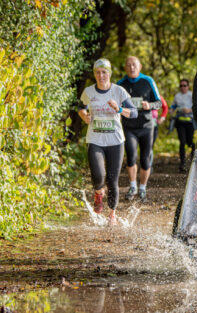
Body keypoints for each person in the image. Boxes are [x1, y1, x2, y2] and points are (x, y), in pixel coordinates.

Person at [78, 58, 138, 225]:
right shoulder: (89, 92)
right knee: (98, 176)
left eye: (104, 72)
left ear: (109, 74)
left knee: (112, 180)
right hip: (95, 139)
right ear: (95, 75)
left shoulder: (119, 91)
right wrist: (84, 116)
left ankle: (112, 215)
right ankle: (98, 193)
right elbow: (80, 108)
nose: (101, 75)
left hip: (115, 141)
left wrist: (119, 109)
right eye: (98, 72)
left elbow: (134, 113)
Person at [117, 56, 162, 202]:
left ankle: (142, 188)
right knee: (130, 156)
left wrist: (150, 105)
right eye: (128, 65)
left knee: (145, 159)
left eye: (134, 65)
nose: (131, 68)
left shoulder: (148, 81)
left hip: (146, 126)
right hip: (129, 127)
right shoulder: (120, 84)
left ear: (140, 66)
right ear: (125, 67)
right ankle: (133, 186)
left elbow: (159, 102)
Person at [169, 78, 195, 172]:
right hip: (180, 122)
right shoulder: (177, 96)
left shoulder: (192, 95)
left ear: (188, 86)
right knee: (182, 141)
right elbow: (173, 106)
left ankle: (193, 155)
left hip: (190, 121)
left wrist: (189, 110)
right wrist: (171, 112)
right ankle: (182, 163)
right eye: (181, 85)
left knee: (189, 141)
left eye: (184, 85)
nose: (183, 87)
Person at [149, 95, 168, 170]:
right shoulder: (140, 92)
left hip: (154, 124)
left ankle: (149, 166)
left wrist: (162, 118)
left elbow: (165, 107)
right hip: (140, 124)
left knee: (150, 146)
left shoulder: (157, 95)